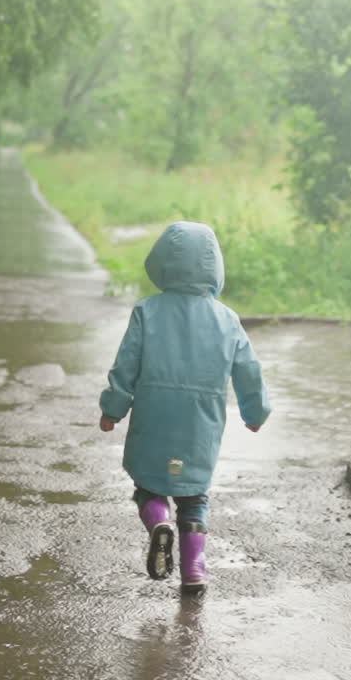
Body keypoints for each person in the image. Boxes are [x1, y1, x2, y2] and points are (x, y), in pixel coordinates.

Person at [98, 221, 271, 594]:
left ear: (161, 262)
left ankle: (158, 520)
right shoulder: (227, 320)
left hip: (154, 416)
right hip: (199, 423)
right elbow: (249, 371)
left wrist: (113, 409)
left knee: (148, 485)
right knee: (194, 498)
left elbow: (125, 364)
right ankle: (194, 570)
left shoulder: (147, 311)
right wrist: (255, 413)